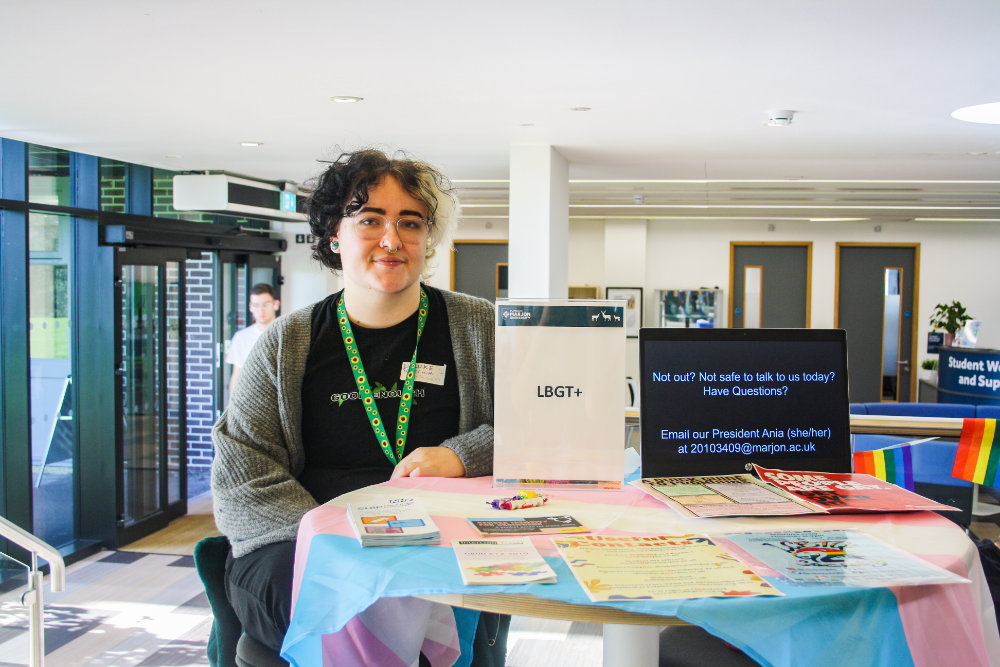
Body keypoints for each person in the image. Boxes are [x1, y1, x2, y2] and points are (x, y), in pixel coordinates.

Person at [211, 149, 504, 662]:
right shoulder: (284, 346)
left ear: (427, 238)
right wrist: (333, 537)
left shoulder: (479, 329)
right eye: (369, 220)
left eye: (409, 223)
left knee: (403, 587)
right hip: (296, 544)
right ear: (333, 235)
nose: (392, 240)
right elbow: (242, 478)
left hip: (435, 541)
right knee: (352, 591)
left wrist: (464, 455)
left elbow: (543, 431)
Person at [225, 283, 280, 391]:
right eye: (256, 305)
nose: (261, 310)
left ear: (276, 304)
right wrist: (232, 406)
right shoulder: (241, 337)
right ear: (250, 307)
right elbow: (237, 376)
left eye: (266, 304)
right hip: (250, 398)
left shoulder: (286, 334)